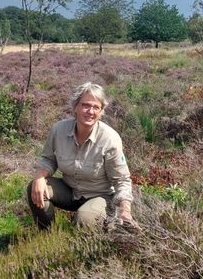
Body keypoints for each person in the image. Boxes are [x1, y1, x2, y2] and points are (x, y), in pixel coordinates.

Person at [27, 82, 138, 230]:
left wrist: (125, 211)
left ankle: (89, 240)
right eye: (86, 105)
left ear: (101, 111)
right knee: (34, 188)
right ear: (76, 107)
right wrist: (40, 177)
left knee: (85, 218)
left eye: (96, 107)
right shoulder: (58, 130)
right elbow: (48, 159)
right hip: (70, 190)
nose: (90, 111)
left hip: (100, 195)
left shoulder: (110, 139)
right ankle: (48, 235)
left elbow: (122, 180)